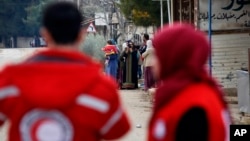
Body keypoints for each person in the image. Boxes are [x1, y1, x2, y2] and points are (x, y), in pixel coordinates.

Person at [0, 2, 130, 141]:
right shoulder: (102, 87)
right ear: (81, 35)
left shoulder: (10, 81)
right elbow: (117, 131)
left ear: (45, 34)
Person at [148, 24, 231, 141]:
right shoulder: (183, 92)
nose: (152, 62)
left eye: (157, 55)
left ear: (175, 56)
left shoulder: (193, 106)